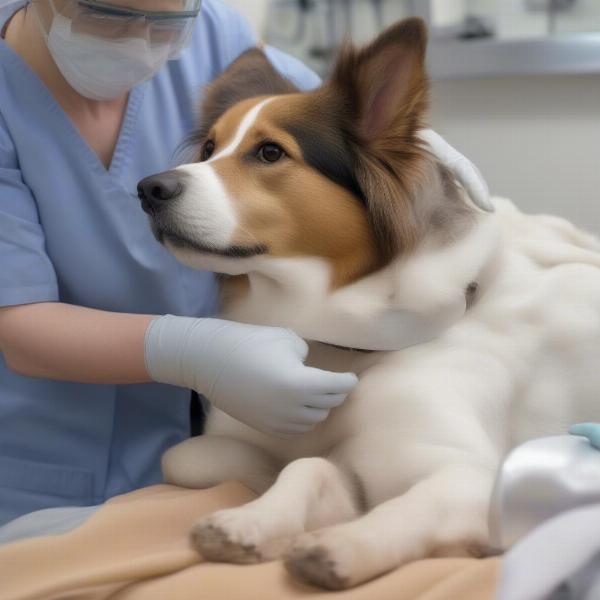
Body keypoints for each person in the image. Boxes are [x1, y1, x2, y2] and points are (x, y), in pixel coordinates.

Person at [0, 0, 490, 526]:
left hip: (208, 457)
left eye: (167, 23)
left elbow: (322, 122)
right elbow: (18, 323)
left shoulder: (214, 33)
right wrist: (195, 353)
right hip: (42, 469)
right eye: (108, 14)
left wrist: (398, 150)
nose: (142, 39)